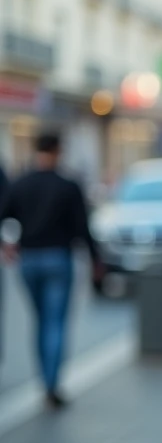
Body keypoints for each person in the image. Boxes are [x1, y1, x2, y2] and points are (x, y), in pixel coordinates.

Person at [0, 132, 102, 408]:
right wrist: (95, 260)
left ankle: (44, 378)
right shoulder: (68, 185)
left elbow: (3, 214)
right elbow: (83, 228)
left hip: (29, 260)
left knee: (41, 320)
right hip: (58, 258)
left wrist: (6, 245)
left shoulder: (20, 184)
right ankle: (51, 383)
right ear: (58, 150)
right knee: (54, 322)